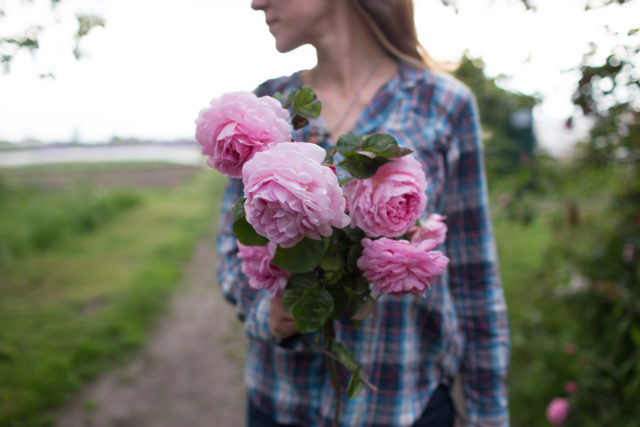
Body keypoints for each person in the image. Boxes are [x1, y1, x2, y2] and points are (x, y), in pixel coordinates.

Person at [216, 0, 510, 425]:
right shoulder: (267, 108)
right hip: (281, 403)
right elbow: (232, 243)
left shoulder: (442, 102)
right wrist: (269, 313)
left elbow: (474, 273)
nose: (256, 2)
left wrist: (489, 414)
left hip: (403, 403)